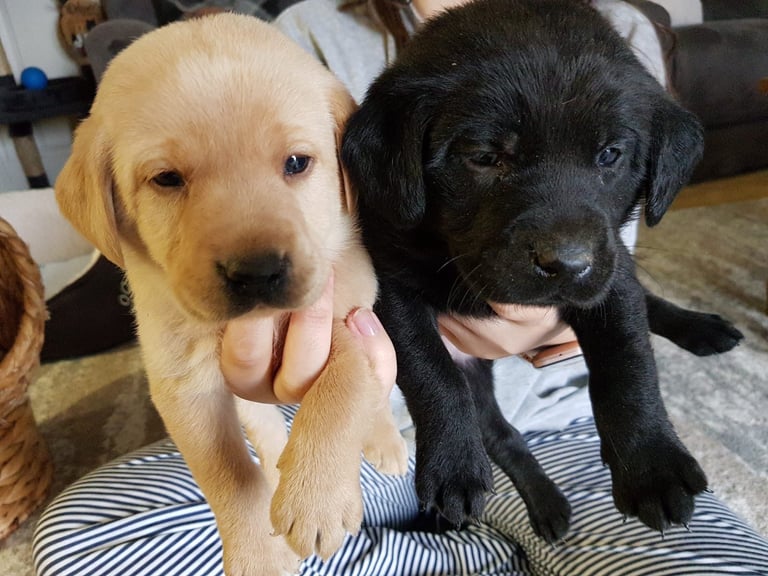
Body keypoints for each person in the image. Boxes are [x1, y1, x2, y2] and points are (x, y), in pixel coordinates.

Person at [32, 1, 768, 575]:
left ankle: (455, 545)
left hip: (564, 426)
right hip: (380, 435)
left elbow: (604, 255)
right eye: (485, 155)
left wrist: (543, 331)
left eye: (298, 163)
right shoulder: (303, 39)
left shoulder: (615, 31)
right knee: (79, 543)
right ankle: (471, 549)